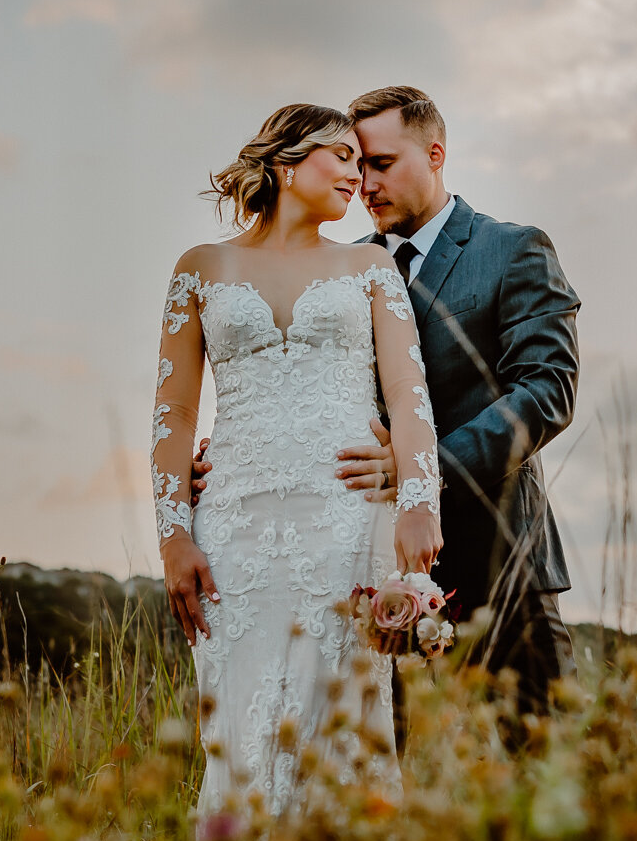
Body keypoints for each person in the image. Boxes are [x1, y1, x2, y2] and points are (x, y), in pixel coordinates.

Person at [195, 86, 579, 721]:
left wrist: (420, 472)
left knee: (539, 767)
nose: (362, 181)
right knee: (376, 772)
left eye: (380, 163)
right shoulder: (342, 269)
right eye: (352, 162)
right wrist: (228, 459)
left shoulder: (512, 250)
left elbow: (546, 391)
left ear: (435, 153)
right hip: (354, 565)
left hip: (496, 560)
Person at [151, 103, 443, 819]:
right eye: (340, 155)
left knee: (340, 717)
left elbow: (409, 393)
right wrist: (173, 533)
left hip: (344, 523)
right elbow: (176, 412)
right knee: (240, 724)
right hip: (233, 534)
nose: (356, 174)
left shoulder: (369, 266)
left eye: (364, 160)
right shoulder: (200, 269)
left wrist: (417, 498)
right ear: (286, 163)